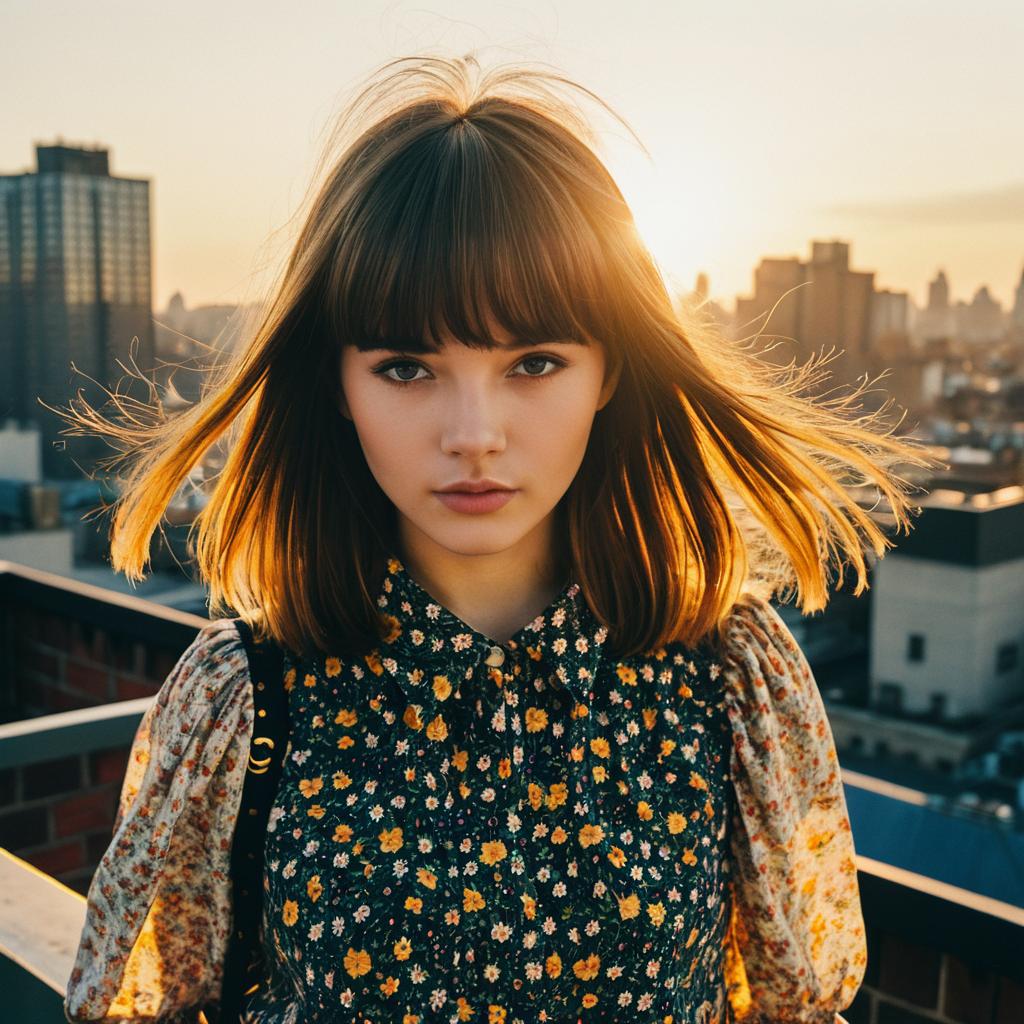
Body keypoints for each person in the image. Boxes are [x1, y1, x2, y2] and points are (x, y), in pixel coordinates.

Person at [59, 52, 936, 1024]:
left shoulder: (729, 676)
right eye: (406, 367)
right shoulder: (246, 700)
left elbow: (794, 1005)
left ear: (609, 371)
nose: (473, 433)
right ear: (336, 384)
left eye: (534, 362)